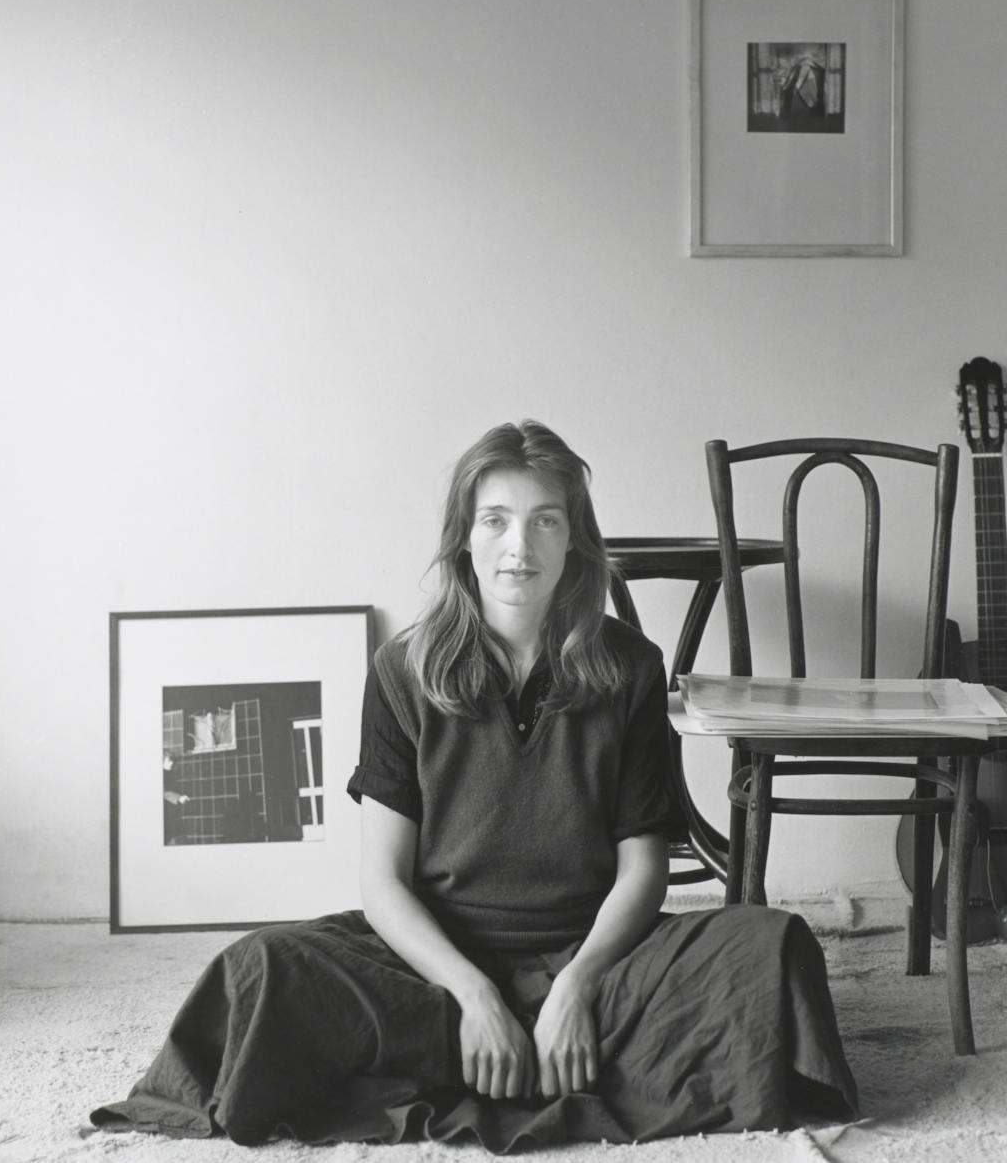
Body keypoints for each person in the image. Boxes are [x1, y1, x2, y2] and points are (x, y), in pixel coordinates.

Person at [91, 420, 858, 1151]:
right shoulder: (402, 669)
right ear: (464, 534)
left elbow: (643, 867)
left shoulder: (630, 664)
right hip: (434, 968)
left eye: (545, 520)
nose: (519, 546)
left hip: (592, 956)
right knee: (262, 969)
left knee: (771, 945)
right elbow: (383, 882)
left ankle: (530, 1047)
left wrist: (577, 987)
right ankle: (518, 1052)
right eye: (496, 520)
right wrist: (474, 994)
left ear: (574, 537)